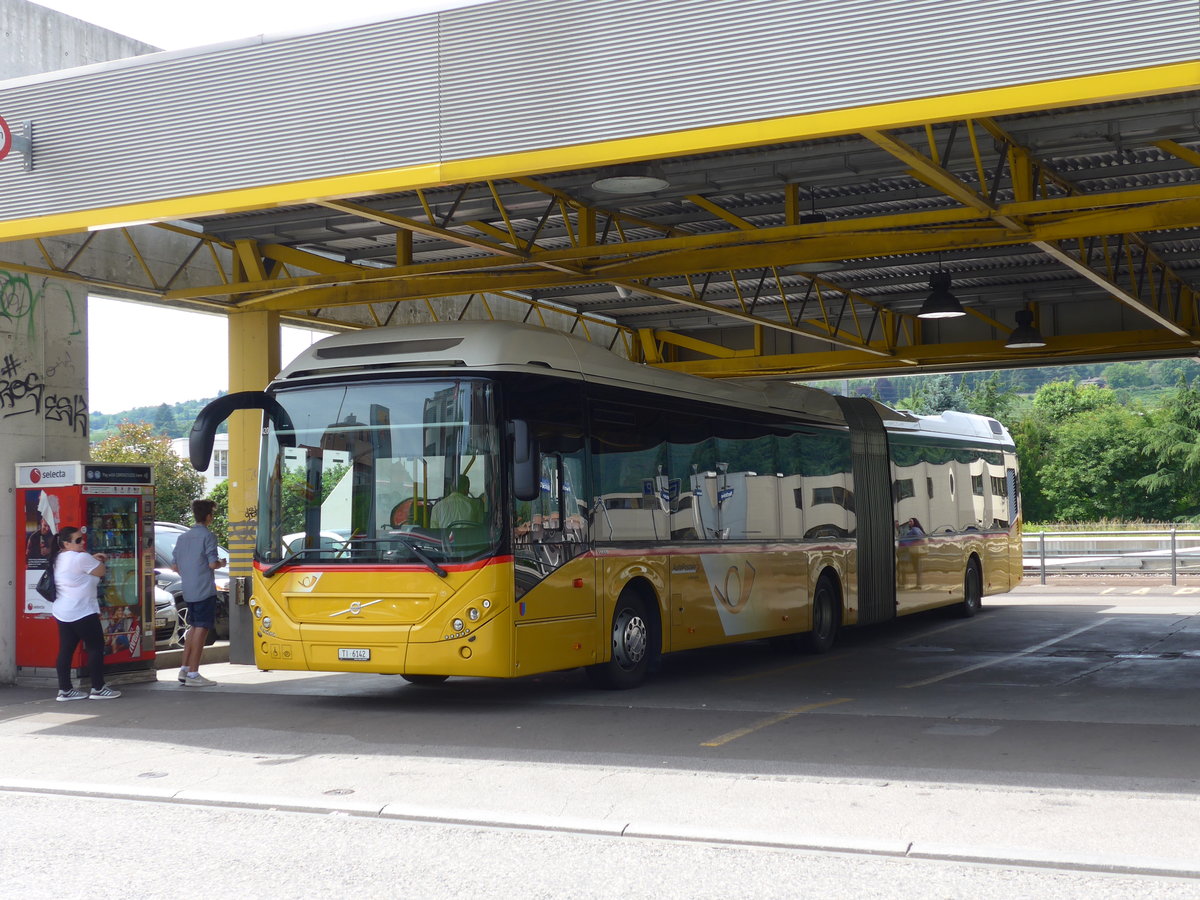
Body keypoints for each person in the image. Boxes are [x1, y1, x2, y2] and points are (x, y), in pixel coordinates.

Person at [50, 526, 121, 701]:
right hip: (83, 610)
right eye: (78, 540)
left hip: (63, 611)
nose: (82, 542)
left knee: (66, 650)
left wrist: (92, 559)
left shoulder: (58, 557)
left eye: (82, 539)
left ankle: (65, 690)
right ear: (66, 543)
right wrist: (97, 560)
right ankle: (98, 688)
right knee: (95, 647)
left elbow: (82, 571)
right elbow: (100, 571)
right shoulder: (81, 558)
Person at [172, 499, 223, 687]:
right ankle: (194, 674)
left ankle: (184, 669)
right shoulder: (208, 536)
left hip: (188, 589)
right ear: (208, 516)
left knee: (192, 628)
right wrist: (221, 564)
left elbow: (175, 565)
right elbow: (212, 563)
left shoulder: (182, 537)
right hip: (204, 589)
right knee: (202, 629)